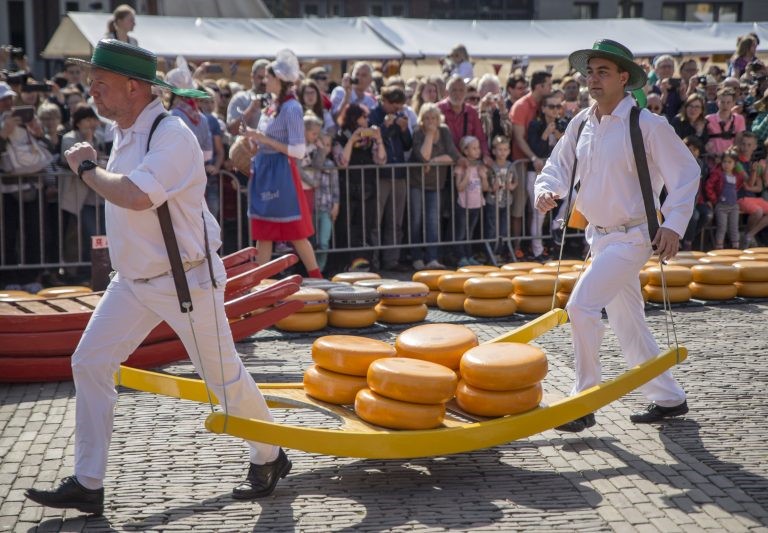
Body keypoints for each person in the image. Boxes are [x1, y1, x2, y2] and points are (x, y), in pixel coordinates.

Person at [24, 40, 291, 515]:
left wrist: (86, 167)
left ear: (134, 87)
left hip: (185, 279)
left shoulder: (173, 135)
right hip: (132, 282)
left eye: (101, 83)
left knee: (221, 377)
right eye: (91, 81)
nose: (92, 91)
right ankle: (88, 482)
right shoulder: (125, 130)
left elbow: (134, 195)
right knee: (89, 361)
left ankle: (269, 455)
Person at [534, 39, 699, 432]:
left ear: (624, 78)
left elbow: (687, 174)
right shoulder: (580, 123)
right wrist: (547, 189)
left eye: (602, 71)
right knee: (628, 323)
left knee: (581, 306)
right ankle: (668, 398)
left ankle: (583, 401)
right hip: (600, 238)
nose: (592, 79)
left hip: (634, 237)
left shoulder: (648, 124)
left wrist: (674, 225)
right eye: (589, 72)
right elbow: (557, 165)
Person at [242, 49, 321, 278]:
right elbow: (269, 141)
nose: (265, 81)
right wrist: (253, 140)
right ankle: (257, 285)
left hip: (281, 173)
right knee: (264, 233)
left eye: (268, 77)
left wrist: (263, 139)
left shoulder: (292, 108)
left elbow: (298, 150)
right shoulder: (274, 105)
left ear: (279, 79)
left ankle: (318, 278)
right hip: (265, 170)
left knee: (295, 231)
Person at [409, 103, 460, 270]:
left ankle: (432, 258)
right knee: (415, 221)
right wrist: (430, 135)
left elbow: (453, 155)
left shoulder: (444, 131)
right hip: (417, 183)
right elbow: (422, 156)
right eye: (427, 118)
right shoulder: (418, 131)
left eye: (434, 118)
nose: (431, 121)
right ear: (421, 119)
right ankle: (416, 257)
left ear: (439, 119)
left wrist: (434, 161)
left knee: (433, 221)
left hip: (436, 184)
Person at [367, 86, 413, 271]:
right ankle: (374, 261)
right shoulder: (373, 116)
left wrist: (403, 130)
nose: (396, 109)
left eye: (399, 106)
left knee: (396, 221)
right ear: (384, 101)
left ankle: (392, 261)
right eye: (394, 105)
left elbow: (408, 144)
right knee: (376, 221)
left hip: (399, 174)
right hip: (380, 176)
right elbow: (371, 142)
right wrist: (385, 127)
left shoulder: (401, 116)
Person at [509, 70, 552, 258]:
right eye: (548, 85)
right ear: (539, 86)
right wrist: (533, 158)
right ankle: (516, 248)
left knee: (537, 209)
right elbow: (518, 138)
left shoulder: (544, 105)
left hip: (538, 164)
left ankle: (533, 247)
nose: (550, 88)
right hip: (521, 163)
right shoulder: (521, 106)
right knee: (519, 208)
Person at [527, 92, 567, 259]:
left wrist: (559, 136)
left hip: (558, 174)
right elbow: (536, 150)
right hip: (536, 173)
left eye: (558, 106)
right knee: (539, 212)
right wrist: (545, 134)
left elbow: (569, 151)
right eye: (551, 106)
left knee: (574, 197)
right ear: (543, 108)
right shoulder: (535, 125)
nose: (555, 110)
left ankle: (557, 226)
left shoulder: (564, 124)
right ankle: (537, 251)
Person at [454, 135, 489, 267]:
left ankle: (469, 255)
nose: (477, 150)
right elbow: (459, 187)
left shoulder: (480, 166)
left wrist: (484, 177)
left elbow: (485, 188)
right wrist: (467, 174)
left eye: (478, 148)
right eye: (474, 148)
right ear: (465, 151)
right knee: (461, 232)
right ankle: (461, 256)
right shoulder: (461, 168)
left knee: (470, 231)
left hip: (477, 204)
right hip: (464, 204)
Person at [485, 135, 517, 261]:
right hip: (493, 201)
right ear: (494, 151)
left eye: (505, 149)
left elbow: (516, 182)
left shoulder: (511, 165)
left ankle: (500, 252)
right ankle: (491, 253)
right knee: (492, 228)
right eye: (499, 149)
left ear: (509, 151)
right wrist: (491, 187)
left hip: (506, 201)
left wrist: (512, 186)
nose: (502, 152)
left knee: (504, 228)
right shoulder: (491, 166)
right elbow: (486, 184)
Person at [705, 147, 744, 249]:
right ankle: (719, 247)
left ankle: (736, 247)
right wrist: (714, 200)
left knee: (734, 227)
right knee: (722, 227)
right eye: (724, 162)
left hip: (734, 206)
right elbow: (709, 186)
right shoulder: (718, 174)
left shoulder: (737, 176)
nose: (726, 164)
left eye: (730, 162)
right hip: (721, 206)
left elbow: (739, 185)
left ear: (735, 164)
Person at [680, 136, 712, 251]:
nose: (692, 152)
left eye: (695, 149)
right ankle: (687, 243)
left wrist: (708, 199)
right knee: (694, 216)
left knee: (707, 214)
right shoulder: (678, 165)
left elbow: (704, 185)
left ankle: (686, 239)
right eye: (689, 149)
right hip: (684, 200)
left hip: (698, 200)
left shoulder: (701, 164)